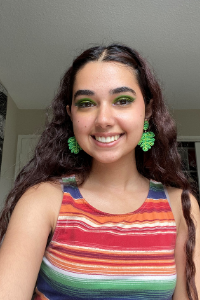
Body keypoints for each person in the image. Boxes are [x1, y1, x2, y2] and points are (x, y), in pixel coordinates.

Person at [0, 44, 199, 300]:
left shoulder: (180, 207)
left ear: (147, 110)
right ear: (71, 115)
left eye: (123, 100)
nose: (103, 119)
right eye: (86, 103)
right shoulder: (43, 200)